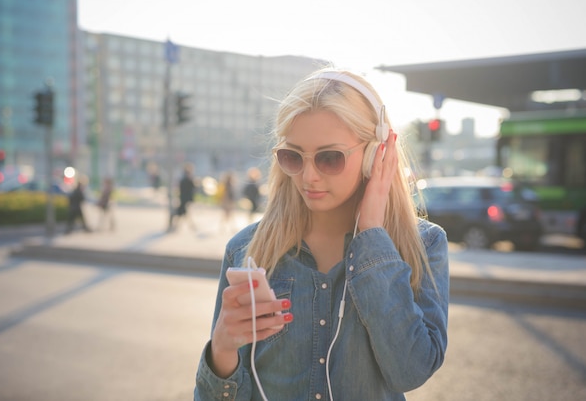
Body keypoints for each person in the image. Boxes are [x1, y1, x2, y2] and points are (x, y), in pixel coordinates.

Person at [194, 68, 449, 400]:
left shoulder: (423, 245)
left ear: (376, 153)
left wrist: (372, 234)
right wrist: (222, 350)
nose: (308, 176)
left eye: (330, 158)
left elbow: (411, 370)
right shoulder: (247, 249)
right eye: (293, 156)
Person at [170, 163, 196, 230]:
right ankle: (190, 225)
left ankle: (177, 225)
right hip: (185, 199)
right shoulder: (187, 180)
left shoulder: (183, 179)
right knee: (183, 212)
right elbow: (192, 188)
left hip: (183, 199)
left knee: (183, 212)